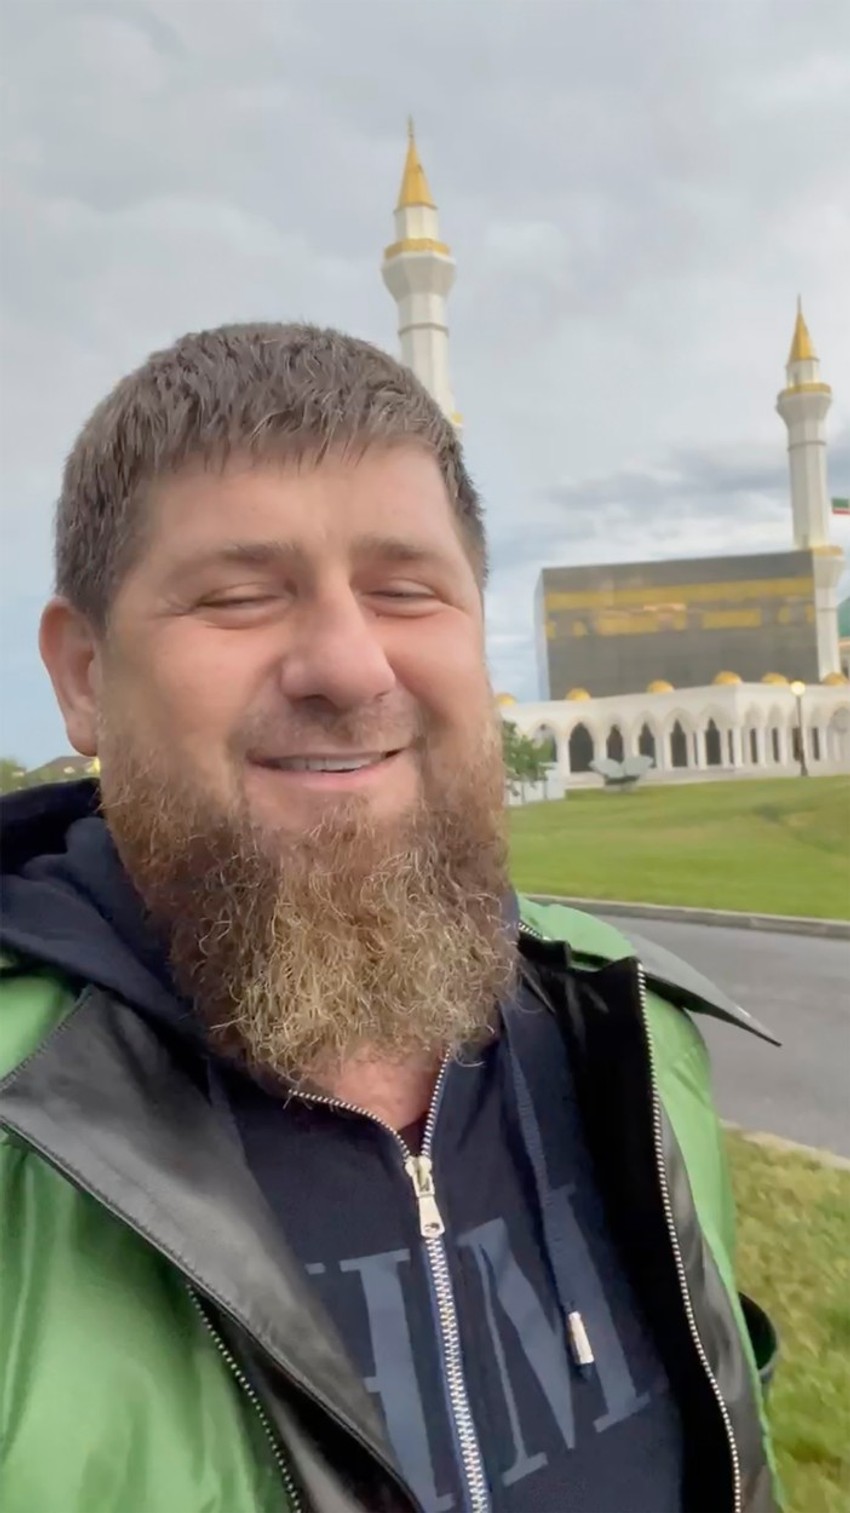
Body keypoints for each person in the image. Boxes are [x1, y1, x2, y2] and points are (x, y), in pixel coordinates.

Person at [0, 323, 779, 1513]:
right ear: (84, 676)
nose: (350, 666)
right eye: (238, 596)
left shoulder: (630, 1040)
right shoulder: (27, 1137)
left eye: (406, 590)